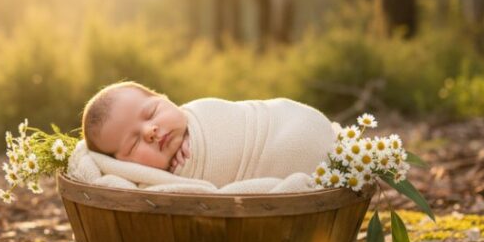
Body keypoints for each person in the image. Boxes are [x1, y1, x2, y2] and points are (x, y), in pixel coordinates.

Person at [81, 81, 335, 188]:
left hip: (289, 123)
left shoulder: (200, 112)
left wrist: (197, 141)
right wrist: (182, 172)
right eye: (134, 142)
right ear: (123, 166)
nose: (150, 131)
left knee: (296, 137)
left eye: (151, 113)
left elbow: (235, 118)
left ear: (166, 100)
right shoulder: (156, 186)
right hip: (291, 165)